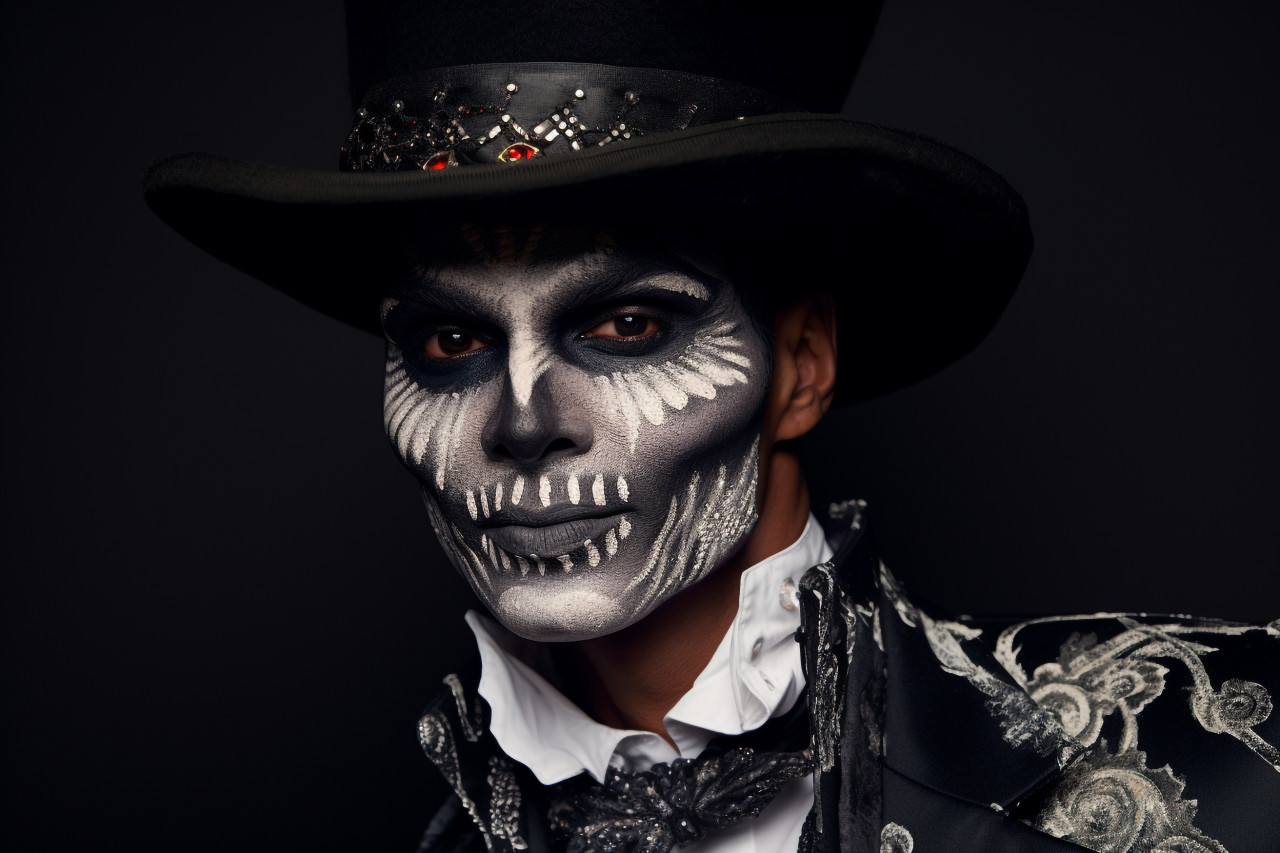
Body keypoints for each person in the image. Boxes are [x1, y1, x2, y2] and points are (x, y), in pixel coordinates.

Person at [145, 1, 1279, 850]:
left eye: (627, 323)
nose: (524, 420)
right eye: (448, 342)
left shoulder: (1227, 746)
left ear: (798, 365)